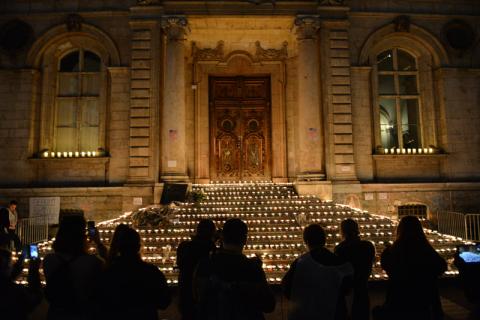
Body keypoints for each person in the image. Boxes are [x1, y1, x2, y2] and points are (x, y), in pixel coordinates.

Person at [194, 218, 276, 320]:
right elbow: (269, 305)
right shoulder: (252, 268)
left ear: (222, 237)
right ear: (245, 240)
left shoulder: (205, 264)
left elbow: (196, 299)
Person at [375, 215, 447, 320]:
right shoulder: (426, 251)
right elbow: (441, 267)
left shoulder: (391, 252)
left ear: (399, 230)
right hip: (424, 297)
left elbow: (386, 266)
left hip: (399, 297)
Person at [95, 226, 171, 320]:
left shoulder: (109, 273)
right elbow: (164, 302)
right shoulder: (150, 272)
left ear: (118, 247)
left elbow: (100, 304)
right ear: (138, 247)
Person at [282, 223, 353, 320]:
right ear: (324, 239)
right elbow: (347, 288)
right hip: (335, 312)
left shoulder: (300, 263)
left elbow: (287, 288)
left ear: (306, 241)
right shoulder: (338, 261)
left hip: (308, 313)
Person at [43, 215, 105, 320]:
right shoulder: (92, 262)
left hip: (57, 313)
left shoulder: (49, 260)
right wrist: (98, 243)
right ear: (82, 236)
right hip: (82, 313)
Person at [335, 218, 375, 320]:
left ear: (342, 231)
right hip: (363, 288)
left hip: (347, 291)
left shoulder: (341, 248)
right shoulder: (368, 246)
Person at [177, 219, 217, 320]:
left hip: (186, 294)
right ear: (212, 232)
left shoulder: (184, 247)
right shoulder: (212, 250)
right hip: (205, 299)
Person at [0, 234, 42, 320]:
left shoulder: (5, 283)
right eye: (11, 264)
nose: (12, 266)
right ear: (7, 268)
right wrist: (34, 270)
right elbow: (35, 298)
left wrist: (20, 260)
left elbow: (6, 278)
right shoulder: (15, 291)